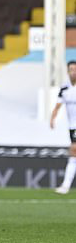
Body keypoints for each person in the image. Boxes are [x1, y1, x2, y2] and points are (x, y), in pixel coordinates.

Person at [50, 61, 76, 194]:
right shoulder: (64, 88)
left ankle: (66, 185)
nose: (74, 72)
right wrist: (52, 118)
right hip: (72, 127)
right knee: (74, 153)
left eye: (75, 69)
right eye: (71, 69)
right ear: (68, 71)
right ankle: (66, 185)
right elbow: (58, 106)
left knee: (73, 150)